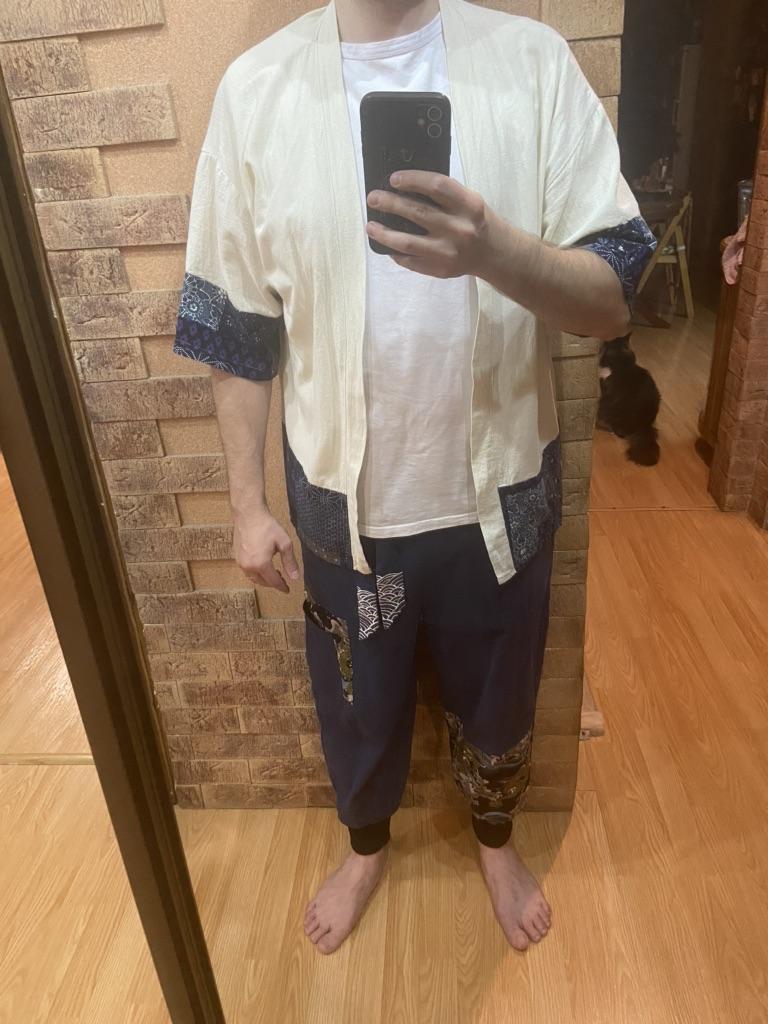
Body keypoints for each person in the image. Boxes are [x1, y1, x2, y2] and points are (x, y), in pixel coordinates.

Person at [172, 0, 656, 954]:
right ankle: (365, 847)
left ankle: (495, 841)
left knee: (502, 692)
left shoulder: (530, 64)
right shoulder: (256, 90)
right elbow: (235, 325)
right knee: (357, 699)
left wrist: (493, 252)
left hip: (499, 499)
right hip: (342, 511)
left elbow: (612, 300)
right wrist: (246, 505)